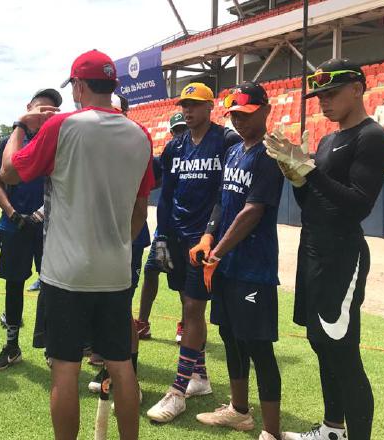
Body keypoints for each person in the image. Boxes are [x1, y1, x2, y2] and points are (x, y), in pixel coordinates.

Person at [0, 49, 154, 440]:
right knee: (122, 366)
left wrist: (22, 123)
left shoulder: (63, 126)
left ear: (80, 86)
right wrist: (118, 241)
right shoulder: (140, 135)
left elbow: (8, 172)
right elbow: (140, 210)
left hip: (66, 273)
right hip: (115, 271)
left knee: (65, 370)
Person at [265, 59, 384, 440]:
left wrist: (311, 173)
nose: (323, 101)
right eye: (319, 95)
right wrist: (298, 180)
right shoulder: (327, 139)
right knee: (320, 342)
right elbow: (313, 205)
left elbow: (357, 205)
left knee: (342, 352)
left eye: (331, 93)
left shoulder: (372, 137)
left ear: (358, 88)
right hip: (313, 249)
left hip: (341, 256)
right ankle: (332, 429)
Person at [147, 82, 241, 423]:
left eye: (194, 105)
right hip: (177, 237)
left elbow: (225, 194)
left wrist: (210, 234)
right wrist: (161, 236)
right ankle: (199, 378)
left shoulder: (226, 141)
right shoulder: (175, 146)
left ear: (209, 107)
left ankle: (178, 390)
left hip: (206, 242)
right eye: (184, 104)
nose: (187, 110)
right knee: (187, 305)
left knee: (193, 308)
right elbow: (166, 194)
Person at [194, 82, 284, 440]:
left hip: (253, 268)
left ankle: (272, 432)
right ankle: (239, 411)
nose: (240, 122)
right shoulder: (234, 151)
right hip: (227, 266)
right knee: (230, 337)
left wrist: (216, 253)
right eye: (234, 115)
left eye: (246, 114)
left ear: (265, 110)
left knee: (258, 346)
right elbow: (222, 199)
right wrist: (208, 235)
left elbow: (252, 211)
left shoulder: (269, 154)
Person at [87, 93, 161, 395]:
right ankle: (110, 359)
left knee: (119, 306)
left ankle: (128, 370)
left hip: (125, 238)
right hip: (103, 238)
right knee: (107, 305)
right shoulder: (99, 144)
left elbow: (139, 204)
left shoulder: (133, 144)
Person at [0, 88, 62, 371]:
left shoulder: (59, 140)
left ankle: (51, 346)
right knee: (14, 284)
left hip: (50, 226)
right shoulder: (12, 141)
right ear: (28, 108)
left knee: (53, 286)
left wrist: (42, 212)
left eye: (51, 110)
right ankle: (11, 345)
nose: (44, 114)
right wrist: (12, 213)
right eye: (40, 108)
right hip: (15, 225)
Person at [134, 112, 187, 342]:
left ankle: (186, 325)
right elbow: (147, 180)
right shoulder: (166, 156)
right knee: (151, 272)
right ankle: (143, 323)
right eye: (177, 130)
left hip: (187, 230)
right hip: (165, 229)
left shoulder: (199, 156)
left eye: (183, 129)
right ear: (171, 132)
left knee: (184, 282)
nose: (180, 134)